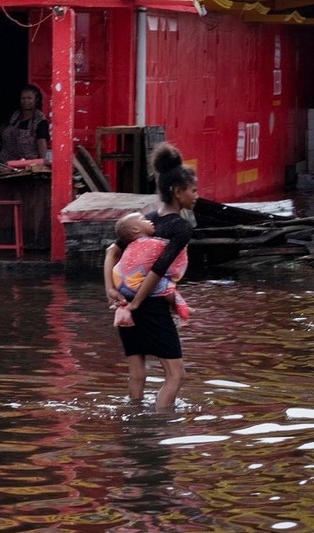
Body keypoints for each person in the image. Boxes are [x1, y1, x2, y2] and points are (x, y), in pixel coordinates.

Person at [103, 142, 198, 411]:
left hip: (124, 305)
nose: (196, 196)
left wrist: (110, 290)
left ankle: (133, 423)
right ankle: (159, 425)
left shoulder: (146, 220)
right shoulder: (180, 227)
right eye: (193, 190)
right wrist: (137, 303)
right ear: (177, 192)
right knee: (176, 375)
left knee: (138, 374)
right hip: (150, 306)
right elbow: (158, 270)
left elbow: (112, 252)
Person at [111, 212, 190, 328]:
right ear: (135, 229)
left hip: (121, 286)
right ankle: (181, 308)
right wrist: (182, 242)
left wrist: (109, 289)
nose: (151, 222)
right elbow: (174, 251)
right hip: (134, 287)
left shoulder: (130, 246)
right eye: (144, 220)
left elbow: (111, 252)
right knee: (166, 285)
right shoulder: (153, 243)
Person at [0, 84, 50, 162]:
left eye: (29, 98)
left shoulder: (40, 119)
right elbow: (5, 125)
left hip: (28, 165)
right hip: (5, 162)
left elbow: (41, 141)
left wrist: (42, 161)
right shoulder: (15, 115)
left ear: (36, 99)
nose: (26, 101)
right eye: (23, 98)